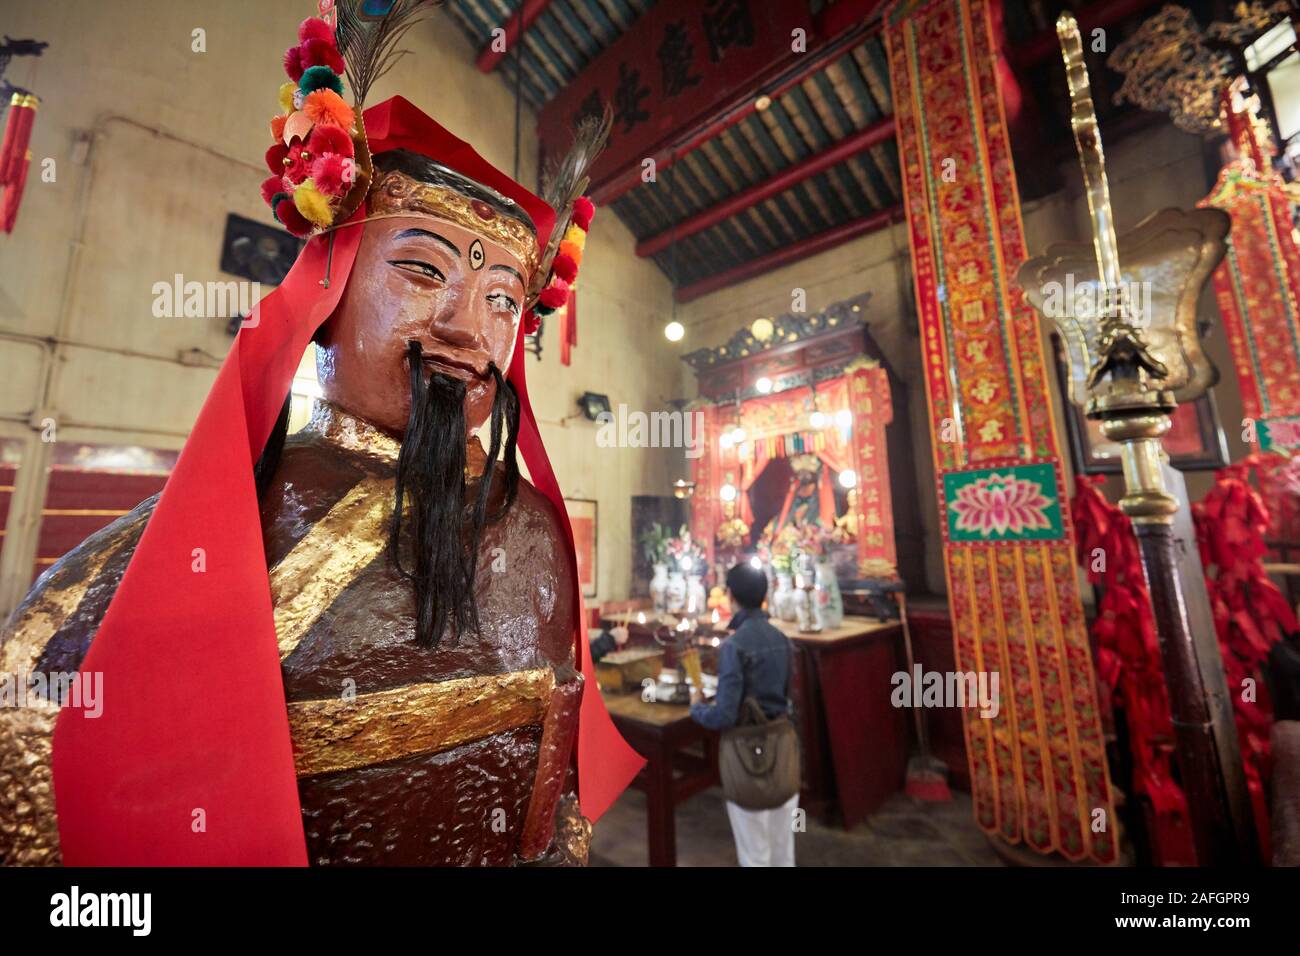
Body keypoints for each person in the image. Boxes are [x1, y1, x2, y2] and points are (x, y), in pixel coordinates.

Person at [0, 2, 642, 867]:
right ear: (327, 289)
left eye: (502, 301)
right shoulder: (230, 531)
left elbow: (553, 785)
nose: (467, 329)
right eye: (423, 271)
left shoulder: (534, 531)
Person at [689, 562, 798, 866]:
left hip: (747, 759)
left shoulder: (734, 645)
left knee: (754, 855)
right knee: (783, 851)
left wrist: (696, 708)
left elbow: (724, 715)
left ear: (731, 594)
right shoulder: (782, 640)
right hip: (784, 754)